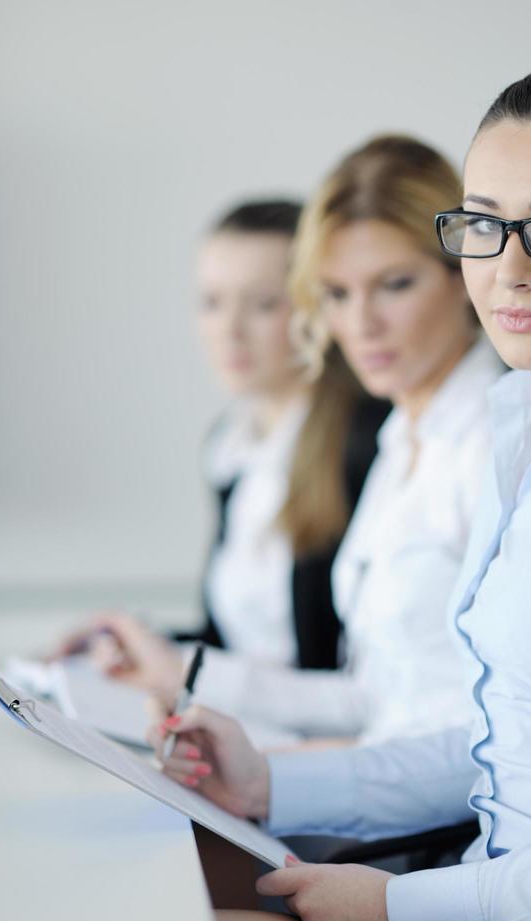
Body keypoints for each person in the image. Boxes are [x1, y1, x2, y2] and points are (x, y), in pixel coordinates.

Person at [150, 60, 531, 921]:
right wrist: (269, 781)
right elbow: (499, 739)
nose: (512, 268)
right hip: (494, 891)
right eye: (487, 226)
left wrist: (411, 911)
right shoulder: (525, 433)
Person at [62, 137, 503, 747]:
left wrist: (281, 772)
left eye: (395, 284)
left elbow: (486, 731)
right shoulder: (405, 436)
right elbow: (379, 697)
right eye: (338, 294)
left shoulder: (464, 439)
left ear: (464, 273)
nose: (360, 323)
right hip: (367, 781)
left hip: (424, 813)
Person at [55, 201, 388, 703]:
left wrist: (185, 672)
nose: (229, 329)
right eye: (211, 301)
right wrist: (143, 647)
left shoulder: (366, 445)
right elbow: (239, 645)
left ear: (315, 311)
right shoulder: (231, 447)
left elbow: (359, 682)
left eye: (262, 304)